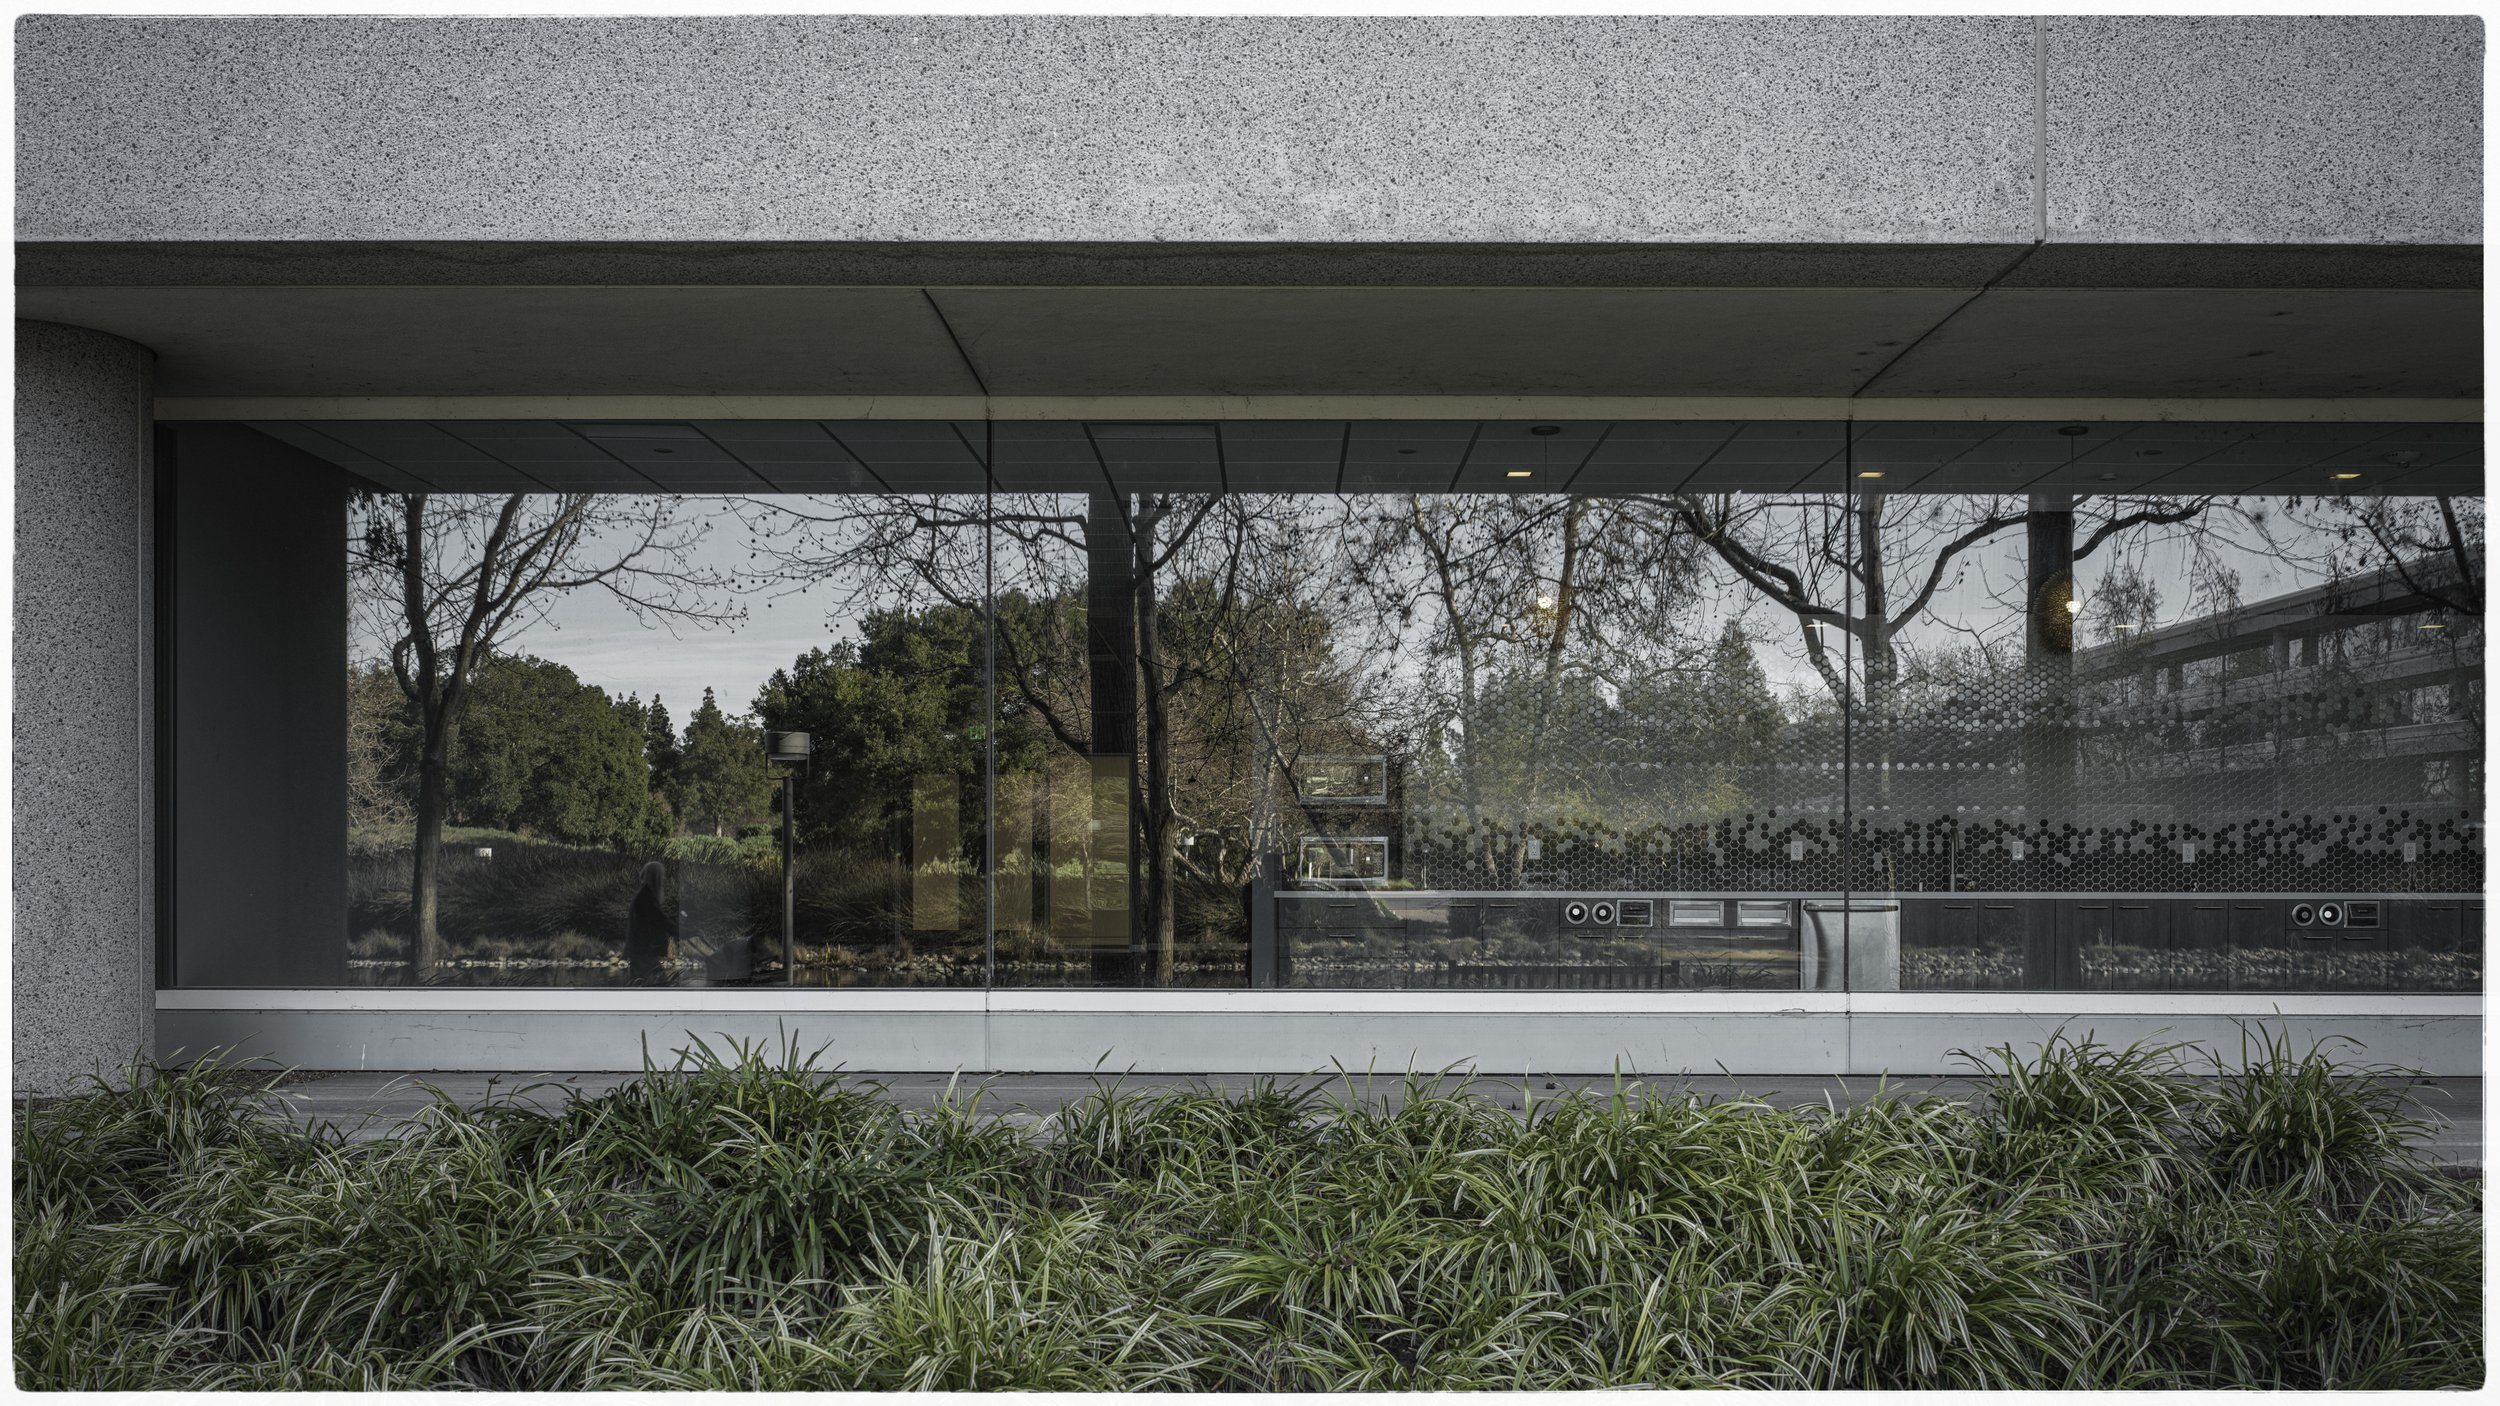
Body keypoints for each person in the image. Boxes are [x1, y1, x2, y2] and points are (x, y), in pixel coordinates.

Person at [626, 860, 677, 985]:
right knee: (659, 985)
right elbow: (663, 921)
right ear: (656, 878)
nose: (663, 880)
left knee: (643, 986)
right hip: (644, 954)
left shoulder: (645, 896)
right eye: (661, 877)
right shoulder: (646, 899)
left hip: (641, 953)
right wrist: (688, 932)